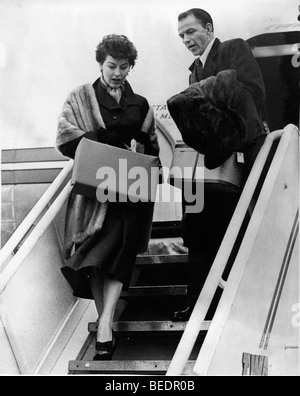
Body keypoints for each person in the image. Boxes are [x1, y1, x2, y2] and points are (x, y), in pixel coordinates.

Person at [55, 34, 159, 359]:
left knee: (119, 251)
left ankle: (103, 324)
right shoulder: (80, 97)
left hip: (131, 190)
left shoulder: (140, 103)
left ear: (131, 67)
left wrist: (140, 147)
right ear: (101, 63)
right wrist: (97, 137)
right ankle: (106, 322)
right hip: (96, 192)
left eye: (124, 67)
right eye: (112, 66)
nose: (117, 73)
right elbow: (63, 137)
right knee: (100, 255)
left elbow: (153, 148)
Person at [169, 9, 269, 322]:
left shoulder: (233, 49)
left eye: (191, 32)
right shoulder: (192, 73)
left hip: (239, 153)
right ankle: (197, 301)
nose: (186, 40)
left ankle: (234, 302)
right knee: (197, 227)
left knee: (235, 226)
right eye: (182, 35)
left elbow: (253, 94)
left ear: (209, 28)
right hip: (210, 163)